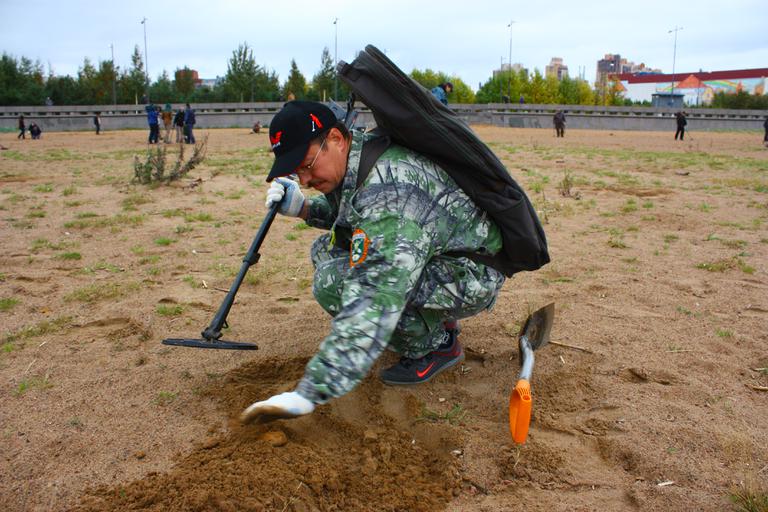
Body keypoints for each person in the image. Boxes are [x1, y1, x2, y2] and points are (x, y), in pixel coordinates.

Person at [240, 101, 506, 424]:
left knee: (335, 284)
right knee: (327, 250)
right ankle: (433, 319)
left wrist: (309, 393)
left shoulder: (391, 193)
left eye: (308, 165)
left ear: (336, 139)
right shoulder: (363, 152)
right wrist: (305, 210)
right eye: (297, 172)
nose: (305, 180)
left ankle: (437, 346)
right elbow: (355, 214)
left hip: (472, 274)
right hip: (447, 252)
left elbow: (373, 299)